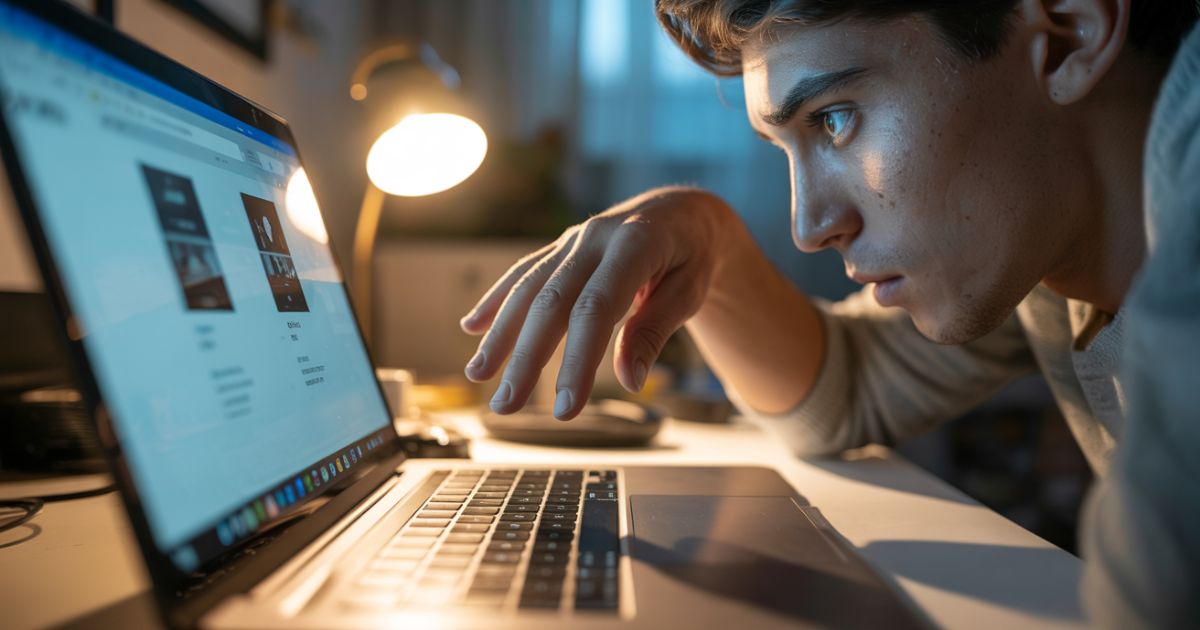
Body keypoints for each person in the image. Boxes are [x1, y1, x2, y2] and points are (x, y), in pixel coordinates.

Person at [457, 1, 1199, 625]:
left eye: (836, 119)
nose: (810, 227)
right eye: (784, 146)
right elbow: (848, 388)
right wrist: (708, 243)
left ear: (1068, 34)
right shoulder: (1042, 247)